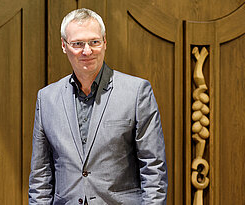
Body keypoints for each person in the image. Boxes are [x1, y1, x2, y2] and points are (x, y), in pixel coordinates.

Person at [28, 8, 168, 204]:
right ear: (64, 45)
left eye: (94, 42)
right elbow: (40, 176)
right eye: (77, 44)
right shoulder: (47, 98)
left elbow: (153, 168)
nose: (87, 51)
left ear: (104, 42)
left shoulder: (137, 92)